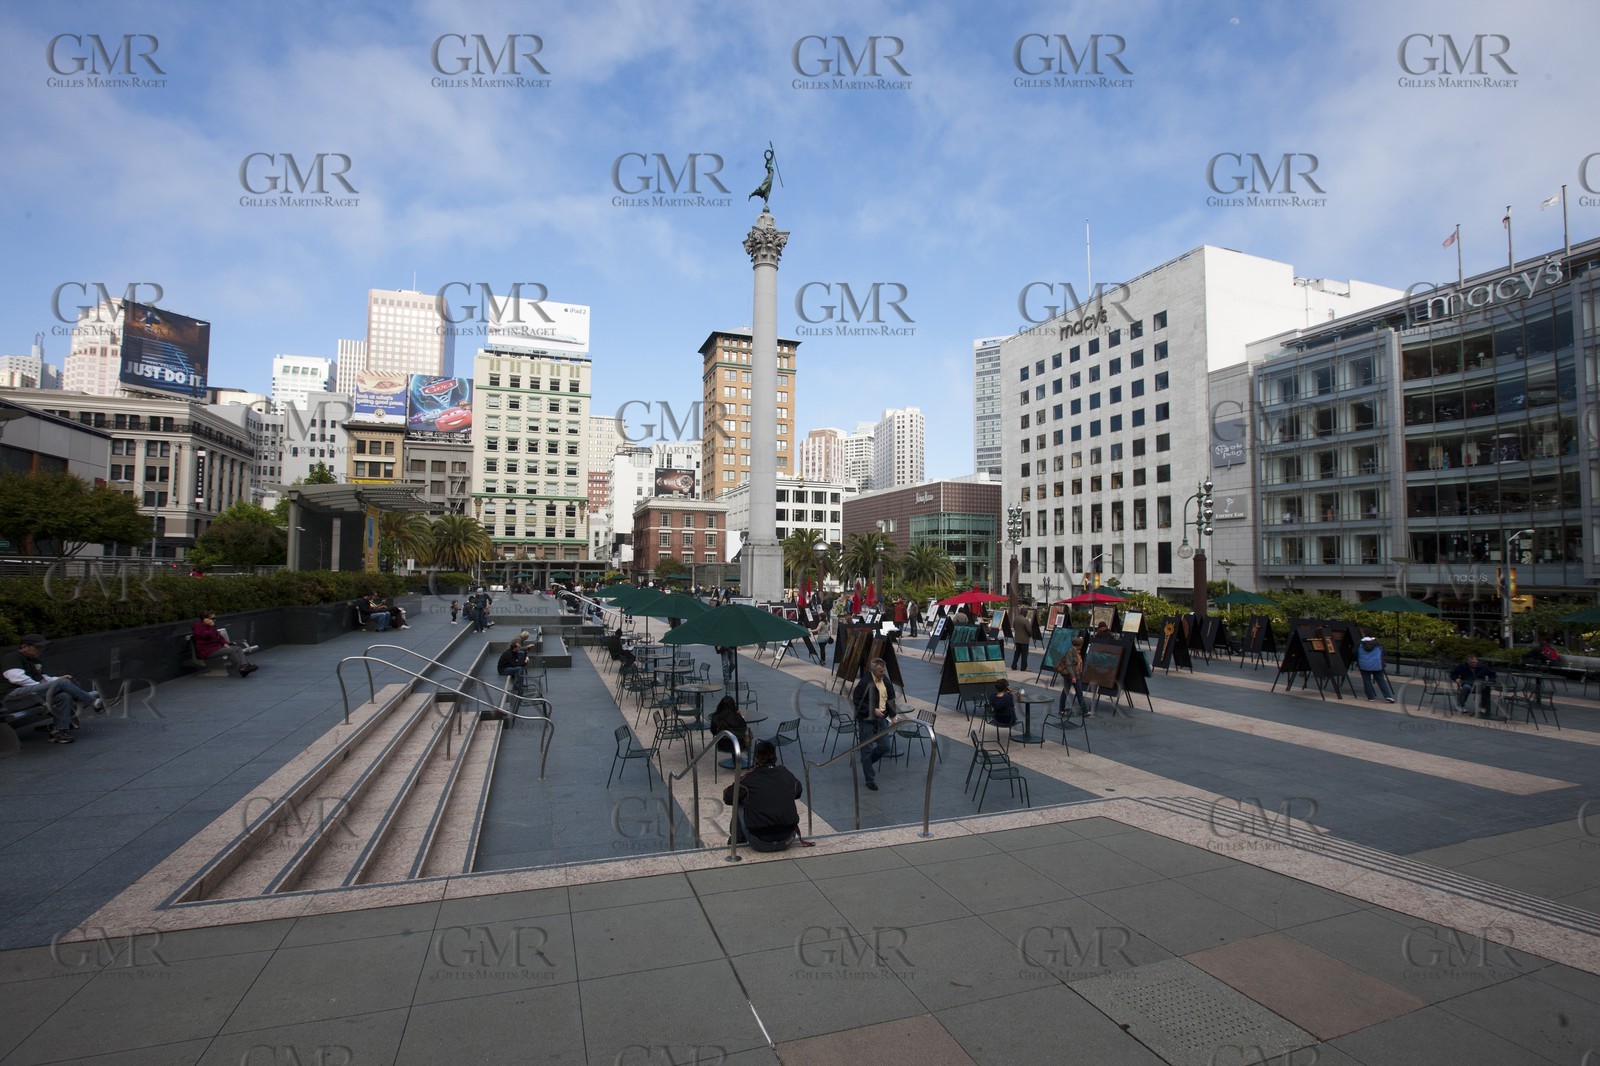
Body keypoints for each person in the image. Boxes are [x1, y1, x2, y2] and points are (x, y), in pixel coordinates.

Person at [1, 634, 108, 743]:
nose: (41, 650)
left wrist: (57, 679)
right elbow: (16, 678)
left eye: (42, 647)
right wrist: (50, 685)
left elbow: (43, 679)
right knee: (61, 683)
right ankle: (92, 701)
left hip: (30, 697)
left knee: (64, 696)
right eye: (37, 647)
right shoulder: (12, 657)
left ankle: (59, 731)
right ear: (24, 647)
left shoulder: (36, 662)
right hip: (12, 698)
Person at [722, 740, 813, 849]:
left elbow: (728, 797)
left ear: (756, 758)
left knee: (738, 800)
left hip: (759, 842)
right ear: (774, 756)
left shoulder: (749, 778)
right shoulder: (786, 773)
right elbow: (798, 792)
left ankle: (737, 842)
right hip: (787, 839)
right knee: (781, 793)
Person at [851, 656, 899, 791]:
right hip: (867, 720)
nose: (883, 673)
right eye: (880, 671)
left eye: (883, 671)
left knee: (885, 745)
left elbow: (890, 698)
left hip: (882, 718)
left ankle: (867, 762)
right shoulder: (865, 683)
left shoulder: (886, 681)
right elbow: (857, 702)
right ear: (873, 671)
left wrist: (893, 715)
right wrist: (873, 709)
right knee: (866, 749)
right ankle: (869, 779)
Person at [193, 612, 257, 677]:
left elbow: (219, 637)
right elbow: (210, 636)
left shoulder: (210, 625)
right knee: (230, 651)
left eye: (215, 618)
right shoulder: (197, 627)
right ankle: (240, 669)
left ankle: (244, 666)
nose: (214, 620)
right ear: (205, 619)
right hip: (207, 651)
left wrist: (224, 643)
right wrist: (211, 626)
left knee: (237, 648)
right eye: (213, 618)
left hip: (216, 648)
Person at [1450, 654, 1502, 719]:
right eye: (1471, 663)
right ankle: (1460, 705)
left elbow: (1493, 674)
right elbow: (1453, 674)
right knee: (1466, 688)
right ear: (1468, 662)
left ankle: (1481, 707)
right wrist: (1456, 679)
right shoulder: (1462, 667)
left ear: (1477, 661)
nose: (1473, 664)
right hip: (1467, 683)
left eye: (1475, 662)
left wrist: (1490, 681)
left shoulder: (1483, 667)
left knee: (1485, 688)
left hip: (1479, 684)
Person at [1053, 636, 1087, 722]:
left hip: (1076, 676)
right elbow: (1068, 665)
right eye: (1081, 644)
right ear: (1079, 645)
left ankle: (1084, 711)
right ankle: (1061, 709)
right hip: (1071, 676)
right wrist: (1073, 677)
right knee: (1067, 692)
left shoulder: (1077, 651)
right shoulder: (1071, 651)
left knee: (1077, 693)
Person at [709, 694, 752, 761]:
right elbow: (744, 728)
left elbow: (713, 731)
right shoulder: (737, 717)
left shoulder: (716, 716)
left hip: (722, 745)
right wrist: (740, 716)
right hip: (739, 745)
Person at [1356, 633, 1396, 703]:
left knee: (1367, 681)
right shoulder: (1377, 644)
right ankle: (1387, 696)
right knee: (1381, 680)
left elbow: (1354, 652)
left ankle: (1371, 697)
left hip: (1363, 664)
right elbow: (1384, 653)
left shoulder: (1360, 644)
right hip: (1377, 664)